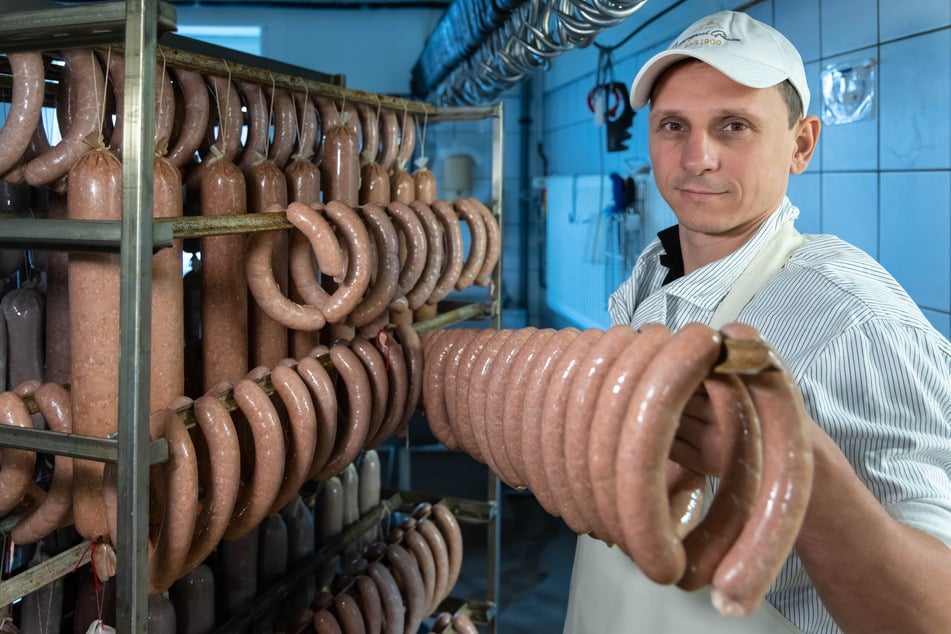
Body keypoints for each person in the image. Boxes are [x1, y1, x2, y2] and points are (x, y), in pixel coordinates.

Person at [563, 10, 951, 634]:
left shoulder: (854, 317)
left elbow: (937, 611)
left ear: (801, 145)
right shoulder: (650, 274)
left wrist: (794, 467)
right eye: (673, 126)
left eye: (734, 126)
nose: (697, 158)